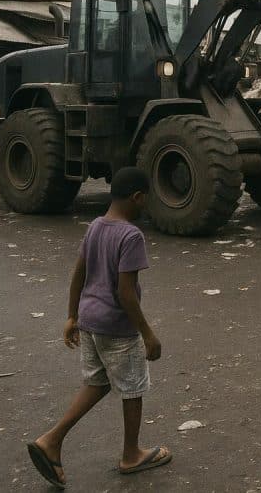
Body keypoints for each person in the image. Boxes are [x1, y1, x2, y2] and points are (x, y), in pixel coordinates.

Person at [27, 167, 170, 488]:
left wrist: (71, 316)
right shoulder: (131, 236)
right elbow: (126, 292)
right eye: (146, 199)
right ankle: (131, 454)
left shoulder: (94, 227)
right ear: (137, 197)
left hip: (89, 321)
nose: (146, 205)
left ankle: (51, 440)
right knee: (133, 389)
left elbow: (78, 272)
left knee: (99, 382)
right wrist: (148, 334)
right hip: (116, 327)